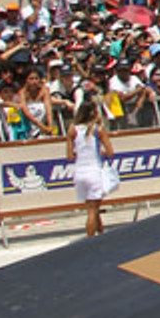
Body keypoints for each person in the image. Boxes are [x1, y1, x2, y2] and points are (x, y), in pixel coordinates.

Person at [66, 99, 114, 236]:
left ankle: (101, 233)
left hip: (79, 172)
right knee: (93, 211)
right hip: (94, 171)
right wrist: (100, 152)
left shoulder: (72, 129)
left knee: (94, 207)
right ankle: (90, 240)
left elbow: (70, 156)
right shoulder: (98, 129)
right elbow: (110, 152)